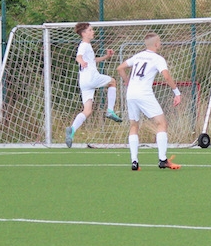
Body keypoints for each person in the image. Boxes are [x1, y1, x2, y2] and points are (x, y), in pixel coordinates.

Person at [116, 32, 183, 170]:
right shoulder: (158, 59)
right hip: (144, 93)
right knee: (161, 123)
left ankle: (134, 162)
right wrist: (177, 92)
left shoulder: (138, 56)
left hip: (131, 93)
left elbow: (120, 68)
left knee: (134, 125)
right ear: (156, 44)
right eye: (160, 41)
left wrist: (127, 82)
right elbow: (166, 77)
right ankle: (163, 160)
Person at [65, 21, 121, 147]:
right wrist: (81, 61)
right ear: (84, 33)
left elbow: (93, 60)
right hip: (91, 77)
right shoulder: (84, 45)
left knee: (87, 110)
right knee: (112, 82)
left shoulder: (87, 46)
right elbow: (78, 57)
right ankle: (110, 110)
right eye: (90, 30)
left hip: (84, 81)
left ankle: (72, 130)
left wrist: (106, 56)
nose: (93, 32)